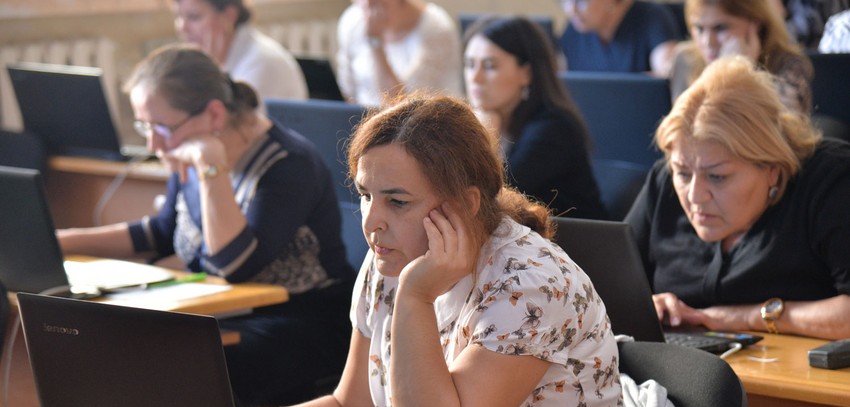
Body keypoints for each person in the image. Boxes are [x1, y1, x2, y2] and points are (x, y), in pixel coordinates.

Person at [238, 93, 633, 407]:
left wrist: (414, 298)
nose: (372, 222)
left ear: (465, 203)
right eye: (365, 194)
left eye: (398, 201)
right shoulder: (391, 260)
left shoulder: (529, 284)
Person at [57, 44, 355, 407]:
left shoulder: (287, 163)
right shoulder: (189, 153)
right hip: (229, 315)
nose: (152, 143)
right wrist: (63, 241)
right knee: (122, 344)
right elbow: (163, 232)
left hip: (302, 323)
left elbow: (233, 264)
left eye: (161, 127)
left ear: (214, 114)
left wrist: (211, 167)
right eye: (144, 126)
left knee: (182, 366)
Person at [625, 56, 850, 340]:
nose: (695, 195)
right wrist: (645, 306)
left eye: (717, 177)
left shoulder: (830, 181)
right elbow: (602, 286)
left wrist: (745, 317)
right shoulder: (663, 181)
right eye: (682, 173)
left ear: (772, 169)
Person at [463, 16, 608, 220]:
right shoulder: (489, 117)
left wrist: (487, 136)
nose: (474, 78)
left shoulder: (554, 128)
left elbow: (492, 200)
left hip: (575, 247)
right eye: (469, 64)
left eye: (489, 66)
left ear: (527, 73)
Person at [669, 0, 813, 115]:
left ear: (756, 24)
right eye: (699, 28)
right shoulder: (685, 60)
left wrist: (741, 72)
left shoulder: (789, 63)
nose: (708, 42)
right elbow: (684, 132)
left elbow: (786, 134)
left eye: (721, 28)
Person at [172, 0, 308, 101]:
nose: (183, 28)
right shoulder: (214, 58)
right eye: (178, 16)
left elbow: (225, 129)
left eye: (194, 17)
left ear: (229, 16)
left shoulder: (261, 63)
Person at [335, 0, 463, 106]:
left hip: (421, 127)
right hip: (364, 124)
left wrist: (376, 43)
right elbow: (347, 92)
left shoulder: (436, 29)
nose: (368, 4)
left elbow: (402, 105)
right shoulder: (352, 21)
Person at [558, 0, 681, 77]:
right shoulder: (574, 29)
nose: (571, 9)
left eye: (581, 1)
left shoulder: (653, 18)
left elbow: (667, 75)